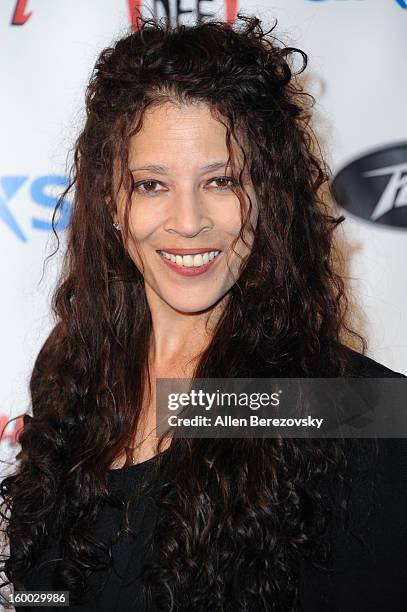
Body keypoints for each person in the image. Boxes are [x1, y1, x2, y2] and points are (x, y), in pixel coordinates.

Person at [0, 13, 406, 612]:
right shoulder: (71, 365)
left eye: (220, 180)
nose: (188, 223)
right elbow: (53, 593)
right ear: (112, 202)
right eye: (152, 185)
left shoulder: (360, 413)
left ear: (267, 197)